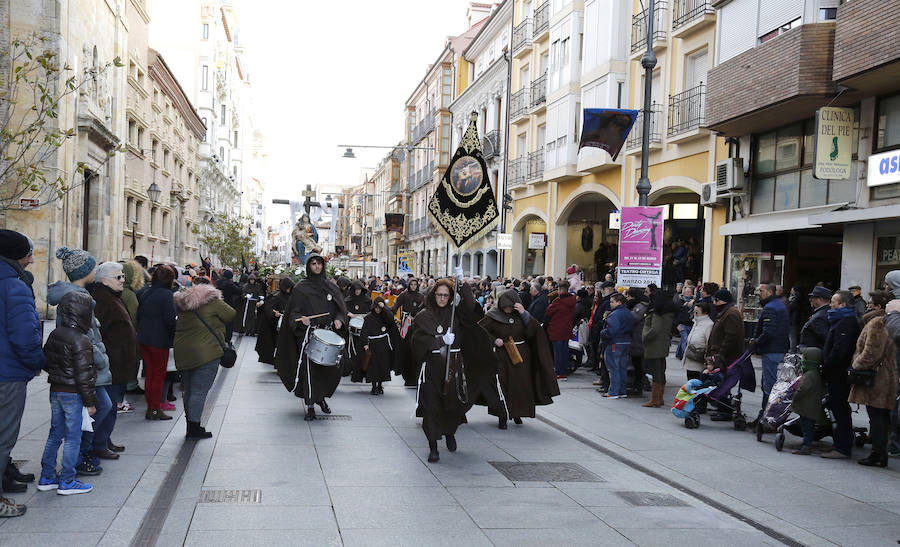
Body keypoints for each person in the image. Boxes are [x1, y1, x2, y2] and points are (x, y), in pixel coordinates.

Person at [410, 271, 497, 463]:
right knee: (432, 407)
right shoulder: (423, 316)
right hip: (432, 370)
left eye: (446, 295)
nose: (442, 298)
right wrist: (439, 341)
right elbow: (417, 343)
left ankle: (450, 432)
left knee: (452, 404)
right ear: (433, 295)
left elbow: (471, 308)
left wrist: (463, 284)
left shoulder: (455, 314)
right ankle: (433, 446)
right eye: (439, 295)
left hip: (454, 368)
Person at [47, 247, 112, 475]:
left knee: (96, 408)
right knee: (98, 407)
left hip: (82, 361)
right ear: (84, 271)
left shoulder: (76, 294)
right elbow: (82, 334)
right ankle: (81, 455)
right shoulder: (78, 297)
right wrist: (98, 358)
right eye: (92, 267)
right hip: (83, 363)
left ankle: (81, 454)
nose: (94, 270)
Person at [0, 230, 46, 515]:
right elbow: (25, 336)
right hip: (7, 374)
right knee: (3, 436)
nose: (31, 259)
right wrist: (38, 362)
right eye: (28, 253)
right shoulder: (14, 286)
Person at [275, 254, 347, 421]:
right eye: (313, 264)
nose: (317, 267)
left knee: (328, 370)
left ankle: (320, 398)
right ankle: (310, 406)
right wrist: (302, 320)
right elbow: (293, 313)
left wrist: (339, 320)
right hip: (309, 335)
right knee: (309, 371)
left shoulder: (330, 286)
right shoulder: (301, 287)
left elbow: (340, 309)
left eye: (319, 264)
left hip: (328, 334)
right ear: (309, 266)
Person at [38, 291, 96, 496]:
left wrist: (58, 375)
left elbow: (45, 359)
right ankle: (68, 480)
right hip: (73, 393)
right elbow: (85, 375)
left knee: (55, 434)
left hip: (56, 390)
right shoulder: (81, 340)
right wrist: (90, 402)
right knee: (73, 437)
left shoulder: (56, 333)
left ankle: (47, 476)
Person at [478, 289, 559, 426]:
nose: (507, 309)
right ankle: (502, 416)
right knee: (501, 386)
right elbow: (480, 331)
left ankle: (518, 413)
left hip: (521, 356)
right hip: (501, 355)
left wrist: (524, 313)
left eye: (510, 306)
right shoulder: (493, 315)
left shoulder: (522, 316)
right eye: (505, 307)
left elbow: (533, 332)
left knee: (520, 386)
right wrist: (493, 340)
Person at [173, 276, 236, 439]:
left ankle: (190, 424)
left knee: (188, 390)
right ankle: (194, 428)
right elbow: (231, 314)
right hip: (206, 352)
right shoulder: (212, 301)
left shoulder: (183, 302)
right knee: (199, 391)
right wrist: (217, 299)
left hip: (183, 350)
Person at [87, 262, 136, 460]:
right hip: (111, 363)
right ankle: (99, 444)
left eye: (123, 276)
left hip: (119, 362)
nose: (123, 280)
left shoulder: (112, 296)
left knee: (113, 404)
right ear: (105, 280)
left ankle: (104, 440)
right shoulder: (102, 299)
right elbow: (99, 333)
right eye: (119, 277)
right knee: (107, 406)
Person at [849, 291, 898, 467]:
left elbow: (872, 352)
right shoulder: (884, 321)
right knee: (880, 416)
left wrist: (855, 365)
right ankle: (878, 453)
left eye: (870, 303)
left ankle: (878, 454)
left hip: (878, 377)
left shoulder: (878, 322)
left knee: (878, 416)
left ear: (878, 307)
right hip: (884, 374)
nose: (867, 305)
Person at [820, 290, 861, 460]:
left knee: (839, 408)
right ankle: (842, 442)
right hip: (836, 372)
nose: (830, 304)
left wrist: (826, 366)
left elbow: (840, 350)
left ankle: (843, 447)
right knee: (837, 407)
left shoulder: (846, 322)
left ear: (843, 304)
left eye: (834, 302)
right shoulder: (840, 319)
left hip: (839, 374)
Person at [136, 264, 177, 421]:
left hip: (145, 338)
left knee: (150, 375)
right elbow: (169, 319)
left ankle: (150, 406)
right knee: (158, 376)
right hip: (159, 340)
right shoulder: (167, 294)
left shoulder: (147, 292)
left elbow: (139, 314)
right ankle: (154, 408)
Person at [706, 289, 745, 420]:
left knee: (723, 383)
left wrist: (721, 355)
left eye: (716, 300)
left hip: (727, 357)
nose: (714, 303)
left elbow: (731, 337)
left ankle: (725, 411)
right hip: (722, 356)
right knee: (720, 383)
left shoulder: (731, 313)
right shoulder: (725, 312)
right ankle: (722, 408)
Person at [752, 283, 790, 413]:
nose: (758, 293)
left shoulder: (770, 308)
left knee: (769, 385)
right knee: (769, 383)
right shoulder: (779, 305)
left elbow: (768, 332)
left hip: (772, 349)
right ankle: (766, 414)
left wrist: (756, 342)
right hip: (778, 348)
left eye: (761, 291)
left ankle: (767, 416)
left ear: (769, 292)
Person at [641, 290, 677, 408]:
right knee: (660, 371)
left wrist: (645, 337)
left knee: (656, 372)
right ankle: (659, 398)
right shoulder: (668, 312)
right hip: (663, 343)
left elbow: (654, 329)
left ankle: (655, 399)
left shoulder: (657, 313)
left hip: (654, 345)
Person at [790, 347, 826, 456]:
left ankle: (806, 446)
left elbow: (802, 389)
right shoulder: (815, 373)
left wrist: (795, 396)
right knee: (808, 426)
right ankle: (806, 444)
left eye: (804, 357)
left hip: (806, 406)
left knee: (806, 427)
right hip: (812, 406)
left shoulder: (809, 375)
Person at [362, 296, 399, 395]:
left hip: (383, 344)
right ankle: (374, 386)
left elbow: (391, 320)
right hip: (373, 344)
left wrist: (385, 308)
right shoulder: (369, 317)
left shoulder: (385, 317)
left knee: (383, 365)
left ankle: (380, 385)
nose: (378, 309)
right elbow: (364, 331)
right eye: (376, 307)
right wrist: (365, 344)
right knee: (373, 366)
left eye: (380, 308)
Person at [599, 293, 634, 399]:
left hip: (615, 342)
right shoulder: (628, 313)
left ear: (619, 302)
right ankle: (622, 390)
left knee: (613, 367)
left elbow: (611, 330)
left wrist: (603, 332)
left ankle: (613, 391)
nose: (610, 304)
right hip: (626, 341)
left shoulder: (615, 314)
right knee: (622, 367)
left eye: (612, 302)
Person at [255, 277, 294, 365]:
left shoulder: (290, 296)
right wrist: (274, 313)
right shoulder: (276, 296)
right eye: (288, 287)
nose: (289, 289)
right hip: (273, 325)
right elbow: (267, 307)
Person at [545, 280, 576, 380]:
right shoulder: (572, 300)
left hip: (556, 329)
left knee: (558, 352)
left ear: (559, 289)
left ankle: (559, 372)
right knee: (564, 351)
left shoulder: (558, 301)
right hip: (567, 328)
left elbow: (549, 312)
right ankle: (564, 371)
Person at [345, 280, 372, 383]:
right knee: (353, 351)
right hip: (352, 330)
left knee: (364, 351)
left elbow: (371, 311)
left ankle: (364, 370)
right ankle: (353, 371)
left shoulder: (367, 300)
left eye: (359, 289)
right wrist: (349, 313)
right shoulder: (348, 300)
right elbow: (344, 310)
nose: (357, 291)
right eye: (355, 290)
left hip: (364, 329)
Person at [625, 288, 649, 396]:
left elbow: (632, 319)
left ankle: (638, 386)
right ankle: (637, 385)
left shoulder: (640, 308)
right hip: (636, 340)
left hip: (638, 340)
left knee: (638, 365)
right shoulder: (639, 307)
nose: (628, 299)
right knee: (637, 364)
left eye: (629, 296)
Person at [682, 301, 714, 382]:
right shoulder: (696, 322)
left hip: (698, 360)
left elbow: (709, 344)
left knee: (696, 383)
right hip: (690, 357)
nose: (695, 314)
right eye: (694, 311)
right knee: (690, 382)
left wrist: (709, 362)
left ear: (705, 313)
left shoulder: (708, 325)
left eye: (697, 312)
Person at [215, 270, 241, 342]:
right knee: (229, 324)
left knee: (220, 322)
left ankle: (219, 338)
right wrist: (236, 283)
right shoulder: (230, 284)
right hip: (228, 305)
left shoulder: (217, 282)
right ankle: (227, 340)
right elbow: (239, 291)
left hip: (219, 304)